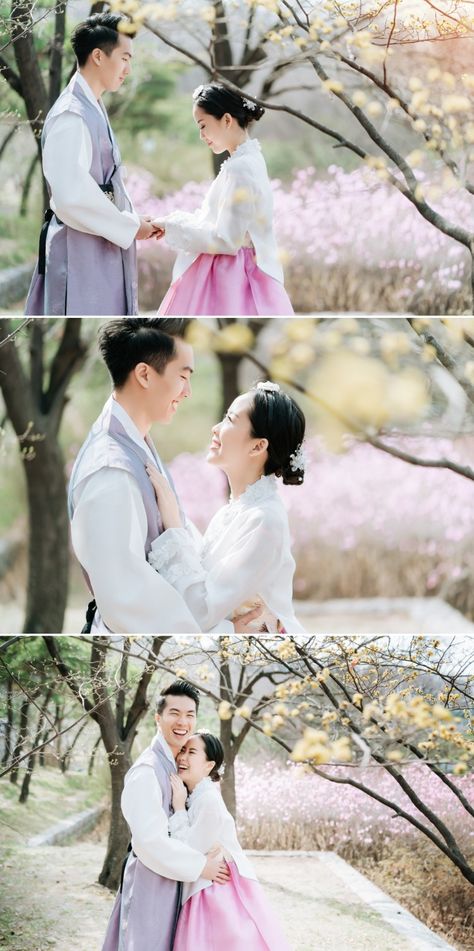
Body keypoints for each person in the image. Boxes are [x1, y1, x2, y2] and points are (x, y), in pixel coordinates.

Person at [68, 318, 261, 634]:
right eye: (183, 377)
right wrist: (224, 631)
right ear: (144, 374)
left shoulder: (134, 443)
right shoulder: (110, 470)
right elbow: (125, 598)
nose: (188, 391)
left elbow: (176, 539)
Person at [146, 381, 307, 633]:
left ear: (258, 446)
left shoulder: (264, 520)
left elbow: (201, 612)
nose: (216, 428)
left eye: (230, 420)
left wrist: (173, 528)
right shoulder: (234, 511)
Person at [25, 13, 157, 316]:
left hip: (97, 240)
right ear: (98, 56)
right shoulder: (71, 114)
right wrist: (130, 225)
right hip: (79, 247)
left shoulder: (91, 106)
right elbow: (72, 196)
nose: (128, 69)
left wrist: (131, 219)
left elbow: (103, 183)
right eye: (124, 58)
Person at [101, 681, 232, 951]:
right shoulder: (147, 771)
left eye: (190, 714)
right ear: (158, 718)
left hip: (172, 879)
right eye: (174, 713)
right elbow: (150, 841)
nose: (183, 721)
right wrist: (200, 866)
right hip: (151, 882)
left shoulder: (176, 766)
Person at [153, 82, 294, 316]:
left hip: (231, 276)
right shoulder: (247, 161)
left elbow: (227, 240)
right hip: (233, 268)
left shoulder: (241, 167)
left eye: (203, 126)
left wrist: (172, 227)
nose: (201, 136)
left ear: (227, 120)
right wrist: (169, 223)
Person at [169, 730, 292, 951]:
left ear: (209, 766)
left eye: (192, 752)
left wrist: (178, 808)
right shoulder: (198, 795)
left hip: (215, 889)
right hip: (208, 883)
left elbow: (187, 850)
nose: (182, 757)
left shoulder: (208, 800)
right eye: (183, 750)